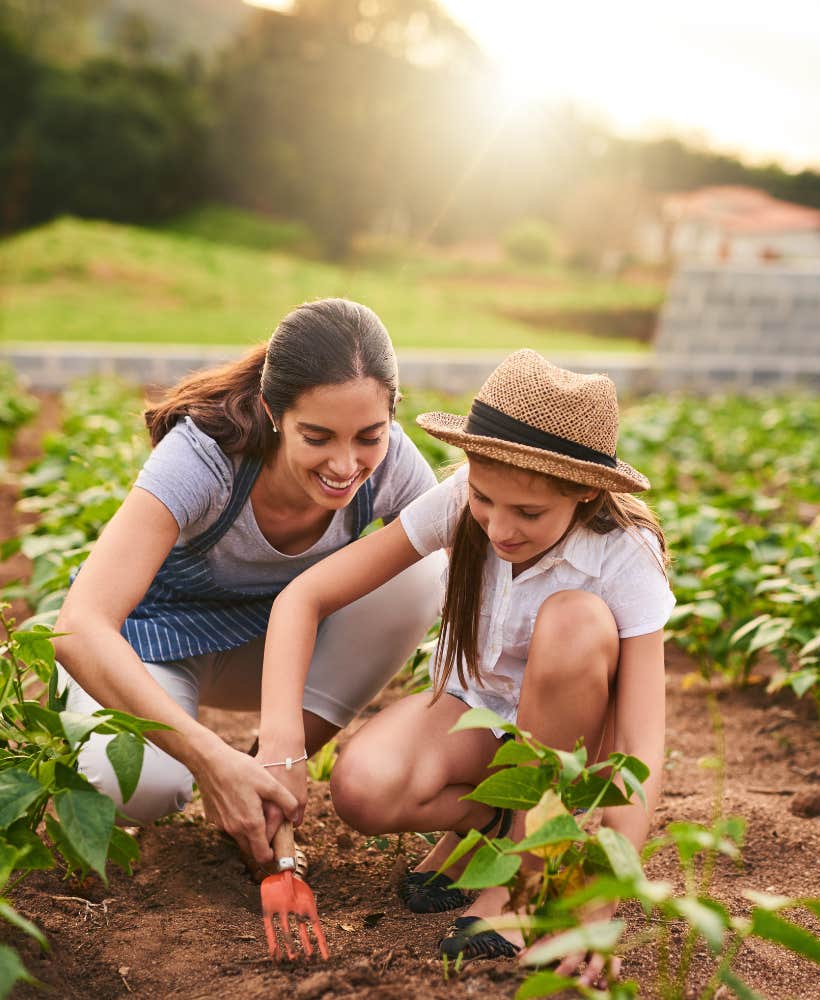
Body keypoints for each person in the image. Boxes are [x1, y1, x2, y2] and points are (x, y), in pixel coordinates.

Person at [260, 348, 675, 979]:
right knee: (363, 788)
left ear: (587, 492)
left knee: (571, 618)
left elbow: (641, 745)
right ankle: (500, 825)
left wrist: (602, 899)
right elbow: (306, 595)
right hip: (481, 719)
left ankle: (530, 878)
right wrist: (283, 743)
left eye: (528, 513)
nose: (499, 527)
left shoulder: (626, 556)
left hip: (573, 753)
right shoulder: (462, 499)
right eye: (484, 500)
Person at [53, 298, 445, 870]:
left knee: (424, 567)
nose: (345, 464)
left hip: (275, 653)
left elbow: (475, 578)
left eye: (369, 435)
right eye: (317, 437)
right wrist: (211, 759)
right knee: (139, 786)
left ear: (392, 413)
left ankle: (269, 782)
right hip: (155, 647)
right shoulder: (204, 457)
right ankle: (216, 772)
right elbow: (79, 624)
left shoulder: (391, 464)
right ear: (272, 412)